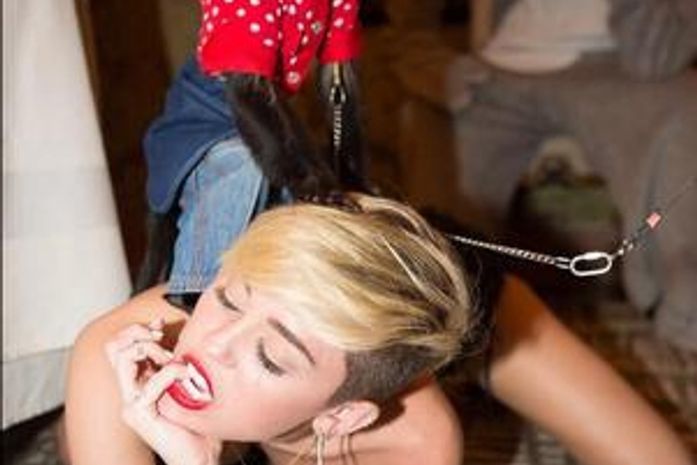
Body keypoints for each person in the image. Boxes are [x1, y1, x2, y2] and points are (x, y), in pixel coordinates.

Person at [65, 193, 691, 465]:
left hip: (455, 292)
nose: (211, 346)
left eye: (270, 357)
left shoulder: (413, 444)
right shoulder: (128, 350)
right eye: (226, 299)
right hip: (326, 244)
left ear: (343, 417)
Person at [428, 0, 697, 349]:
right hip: (494, 68)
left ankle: (684, 317)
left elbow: (655, 56)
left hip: (614, 69)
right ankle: (434, 321)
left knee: (685, 114)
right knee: (436, 161)